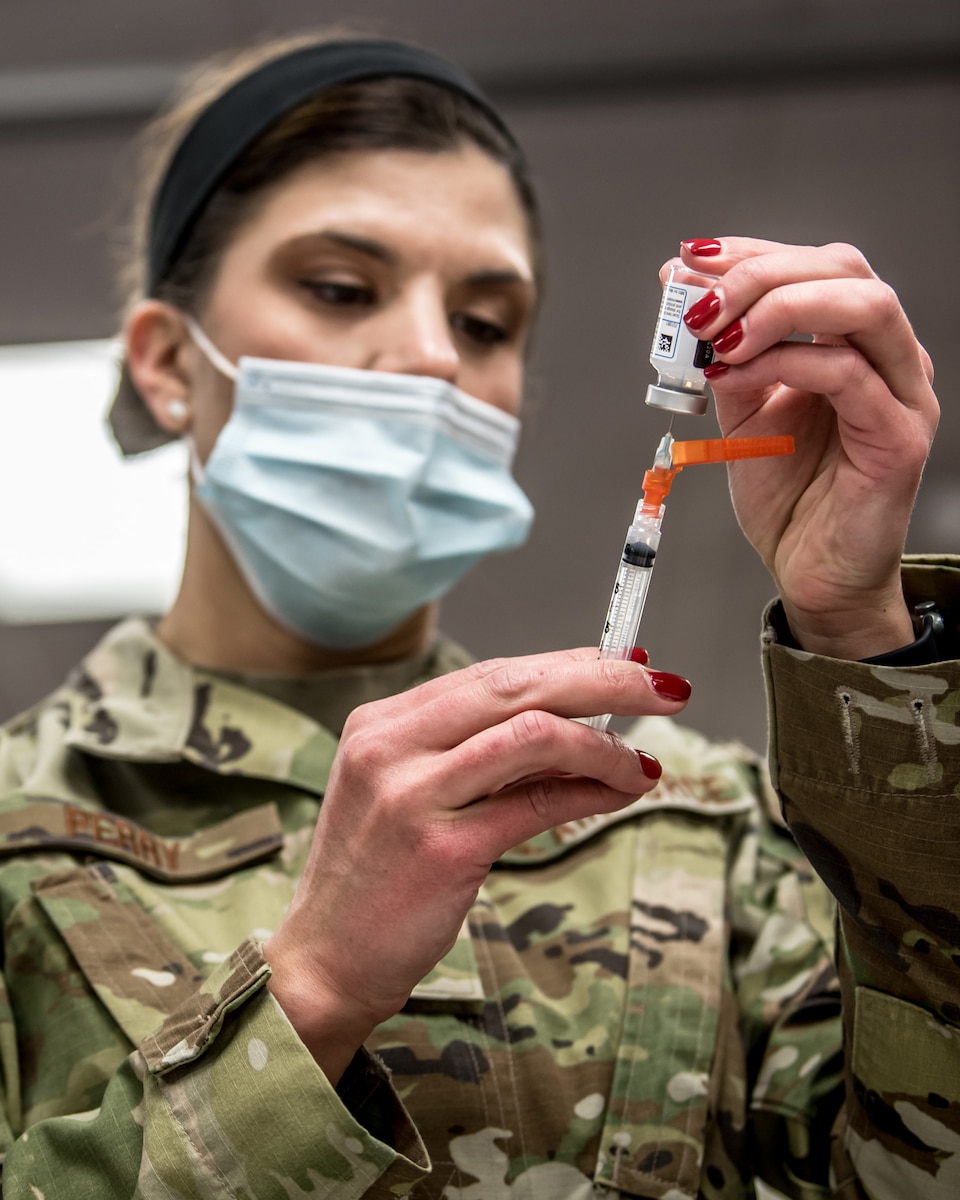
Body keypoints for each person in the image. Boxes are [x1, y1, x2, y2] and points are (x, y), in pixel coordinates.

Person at [0, 29, 952, 1200]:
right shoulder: (20, 833)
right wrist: (308, 998)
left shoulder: (689, 820)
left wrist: (860, 635)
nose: (430, 356)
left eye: (488, 321)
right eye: (341, 288)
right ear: (164, 362)